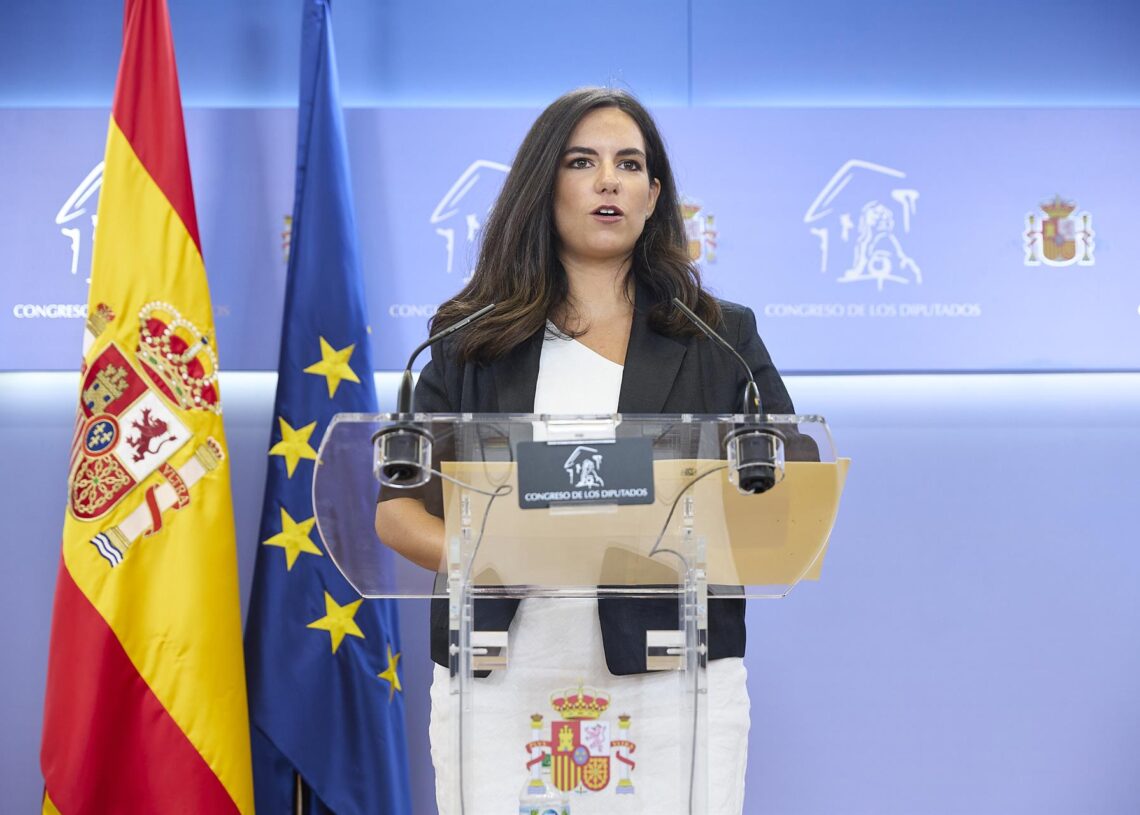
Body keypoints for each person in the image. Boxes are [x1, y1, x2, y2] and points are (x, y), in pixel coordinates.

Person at [376, 87, 796, 815]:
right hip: (503, 667)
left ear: (653, 193)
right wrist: (499, 554)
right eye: (583, 161)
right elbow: (397, 514)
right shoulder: (467, 336)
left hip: (671, 669)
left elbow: (787, 491)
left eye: (629, 164)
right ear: (546, 185)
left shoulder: (719, 336)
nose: (609, 180)